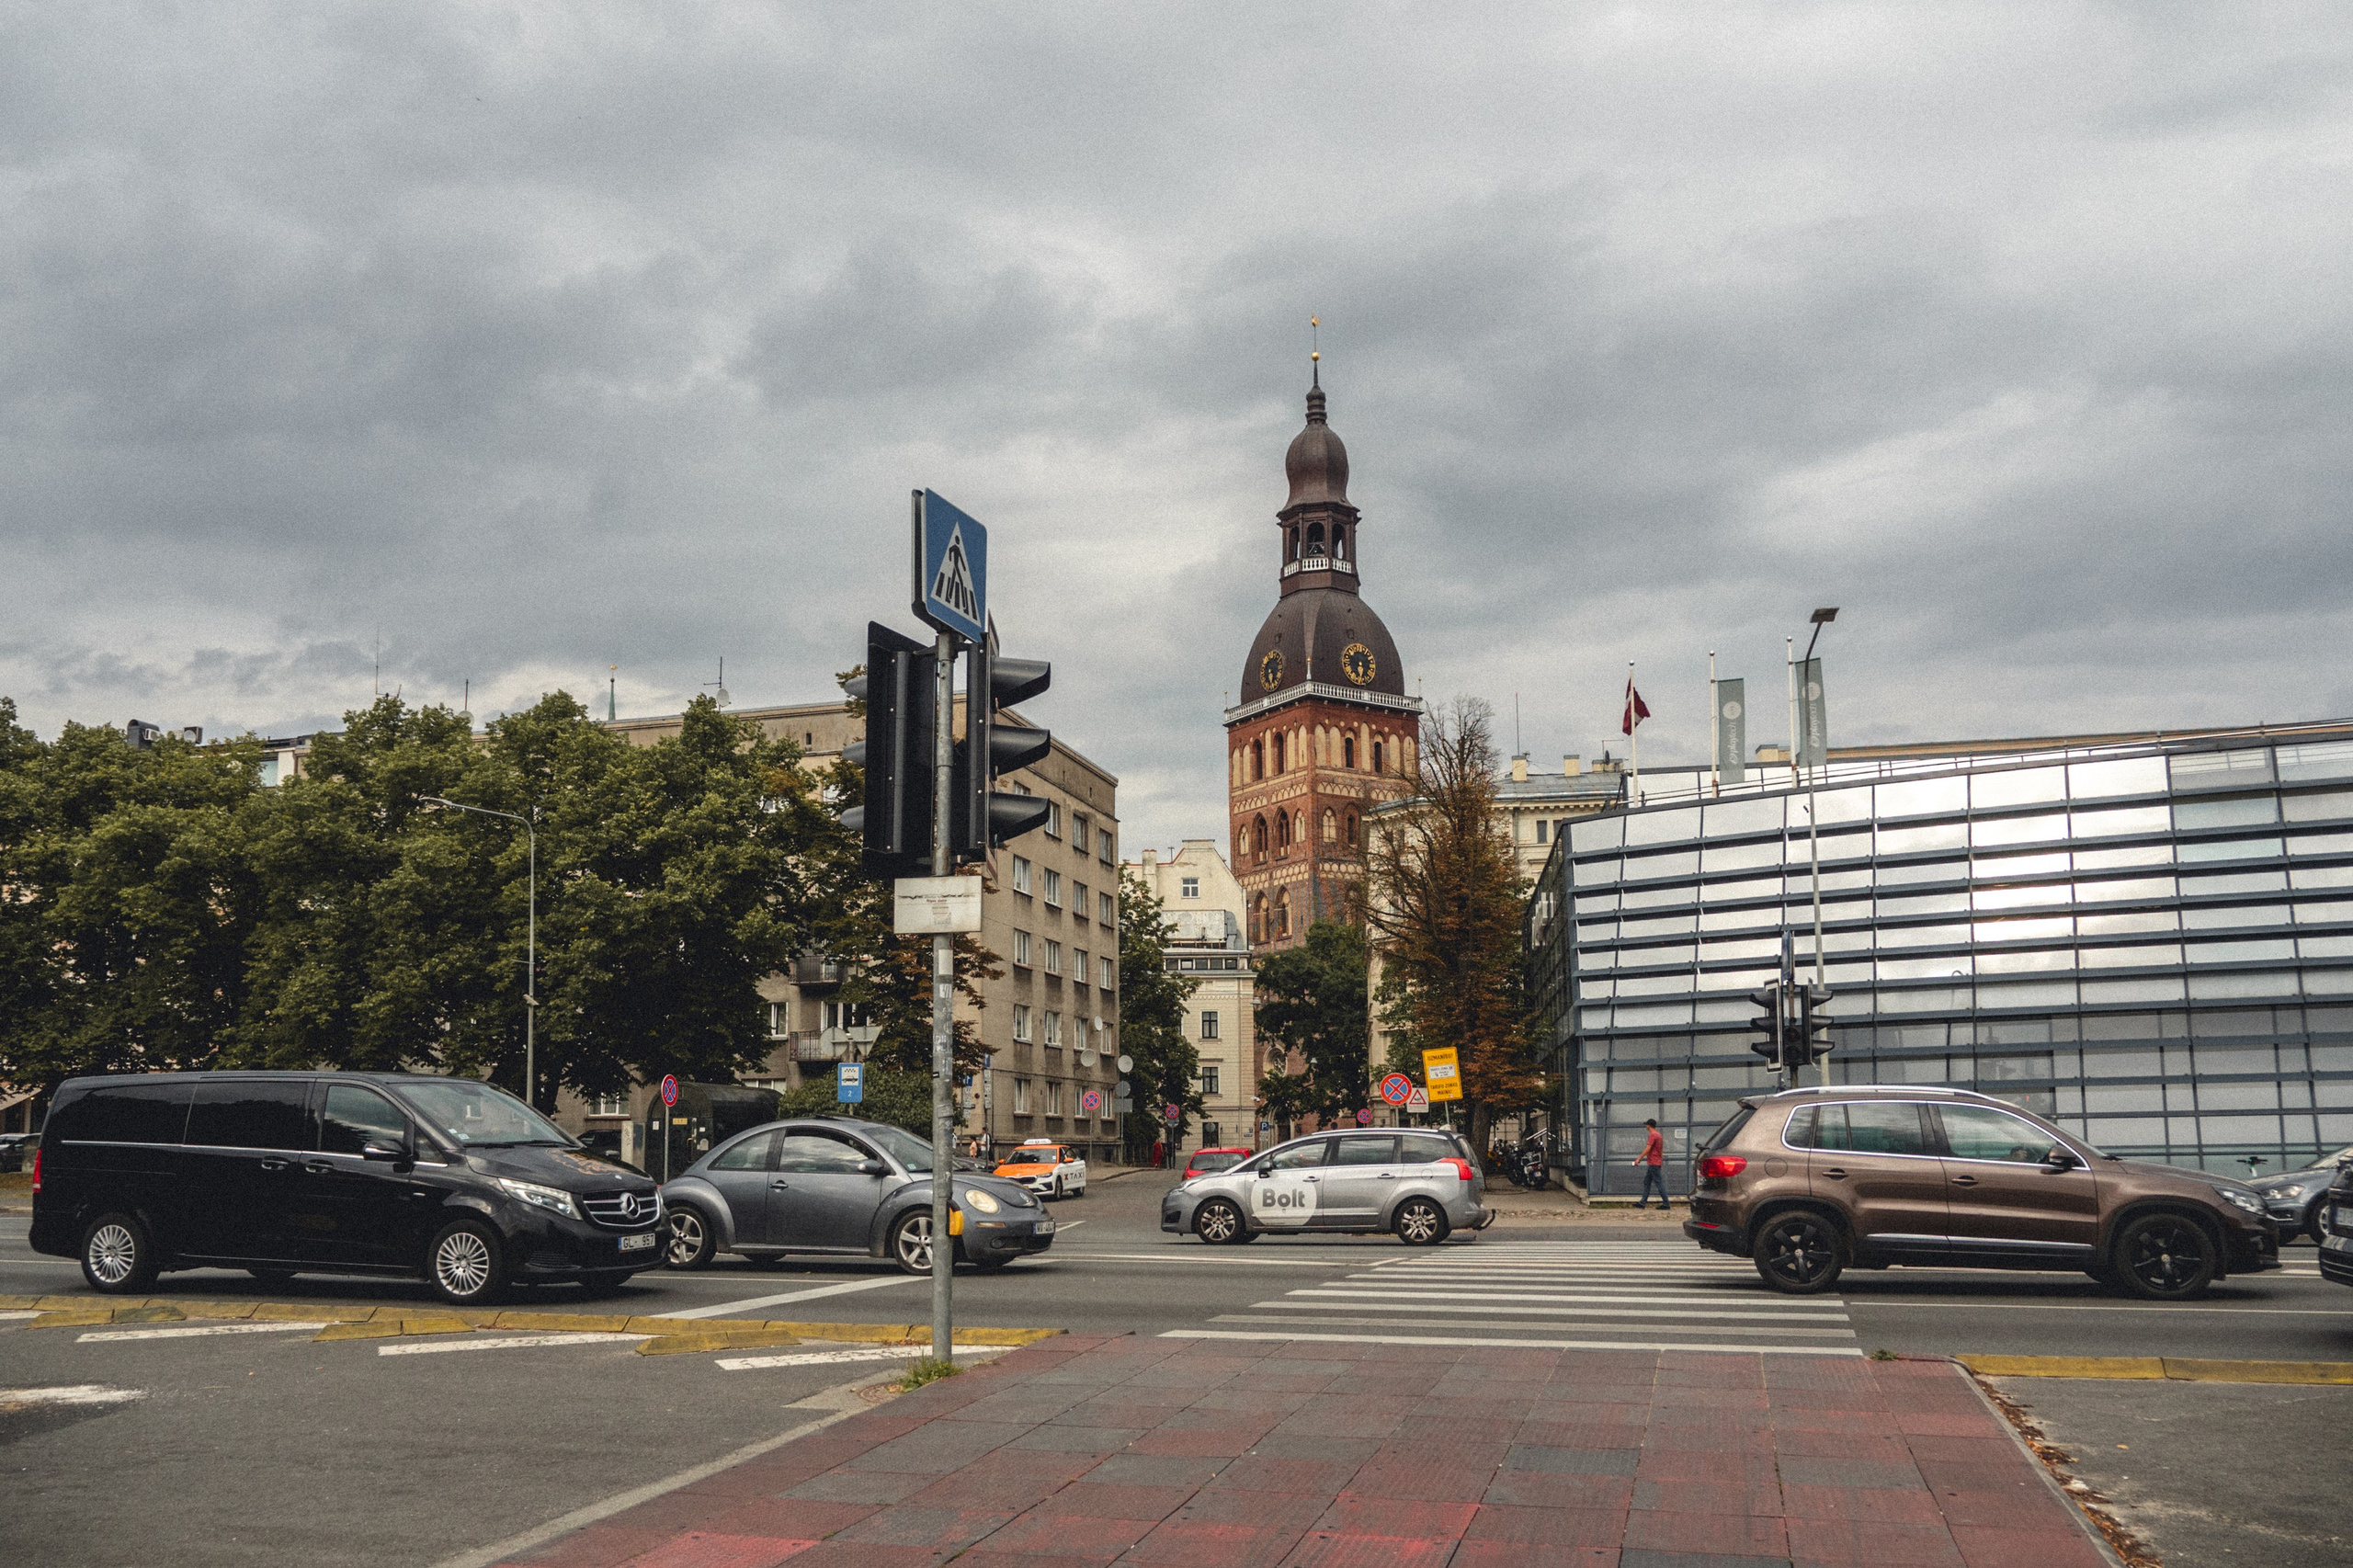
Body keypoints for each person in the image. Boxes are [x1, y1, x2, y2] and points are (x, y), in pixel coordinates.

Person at [1633, 1119, 1668, 1210]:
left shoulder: (1652, 1135)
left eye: (1646, 1125)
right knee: (1647, 1182)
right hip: (1656, 1162)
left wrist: (1639, 1158)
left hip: (1653, 1162)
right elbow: (1660, 1150)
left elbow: (1648, 1148)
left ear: (1649, 1125)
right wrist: (1660, 1162)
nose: (1646, 1126)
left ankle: (1666, 1204)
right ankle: (1642, 1202)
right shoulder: (1659, 1135)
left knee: (1659, 1183)